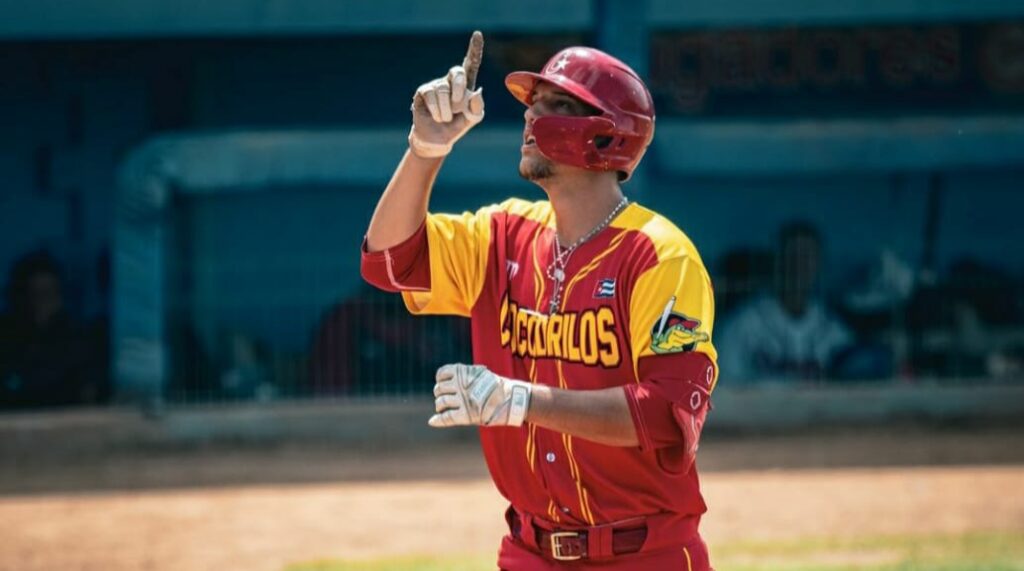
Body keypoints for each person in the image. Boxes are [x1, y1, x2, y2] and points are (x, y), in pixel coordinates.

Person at [361, 32, 717, 570]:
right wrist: (425, 149)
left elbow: (669, 416)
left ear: (605, 137)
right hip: (531, 550)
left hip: (646, 553)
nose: (531, 117)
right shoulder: (502, 232)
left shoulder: (660, 256)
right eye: (533, 105)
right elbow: (388, 263)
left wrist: (522, 400)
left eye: (557, 106)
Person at [717, 221, 852, 383]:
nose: (799, 266)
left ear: (818, 265)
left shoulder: (834, 331)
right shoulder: (743, 326)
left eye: (807, 258)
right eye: (793, 256)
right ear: (778, 262)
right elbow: (725, 388)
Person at [0, 251, 94, 408]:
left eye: (51, 294)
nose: (44, 303)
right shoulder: (6, 339)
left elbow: (87, 396)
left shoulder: (76, 340)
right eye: (36, 295)